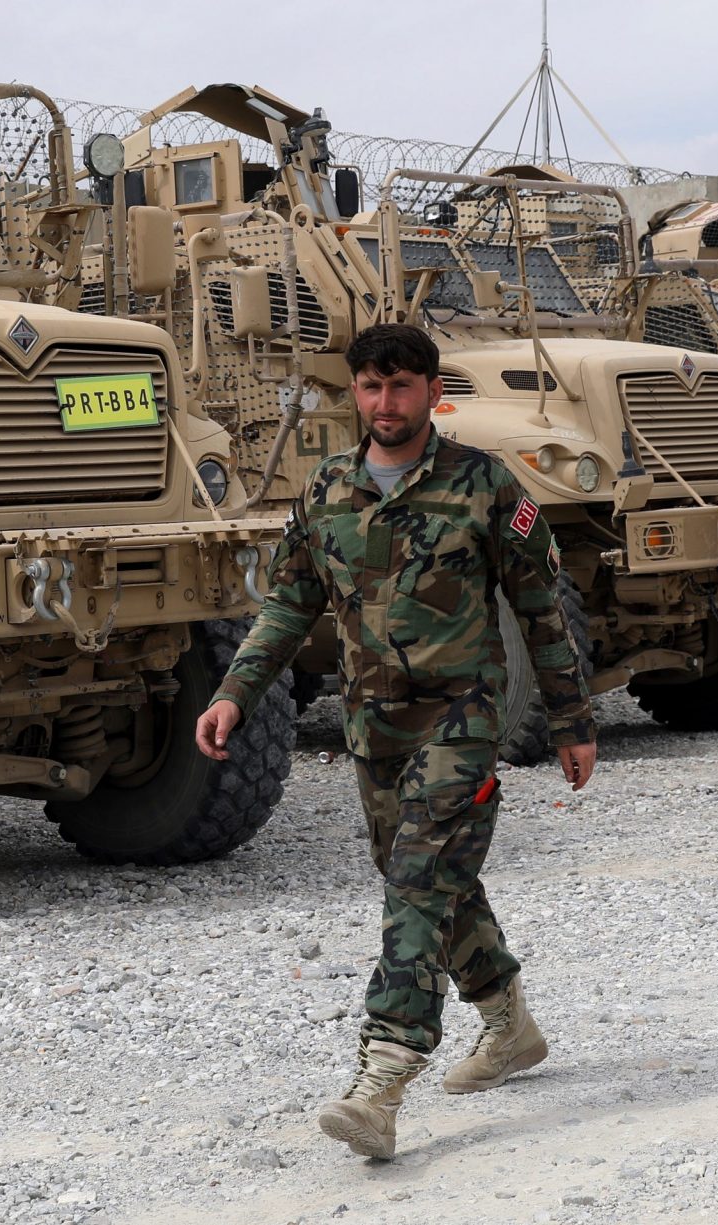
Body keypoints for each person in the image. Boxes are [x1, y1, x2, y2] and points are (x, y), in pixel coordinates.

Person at [195, 322, 598, 1161]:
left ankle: (383, 1076)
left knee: (417, 878)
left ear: (431, 391)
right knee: (429, 876)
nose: (386, 403)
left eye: (402, 386)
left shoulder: (485, 484)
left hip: (462, 717)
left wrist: (571, 721)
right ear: (356, 393)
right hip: (373, 726)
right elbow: (287, 607)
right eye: (372, 387)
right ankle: (510, 1022)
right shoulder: (327, 488)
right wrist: (234, 693)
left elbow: (540, 609)